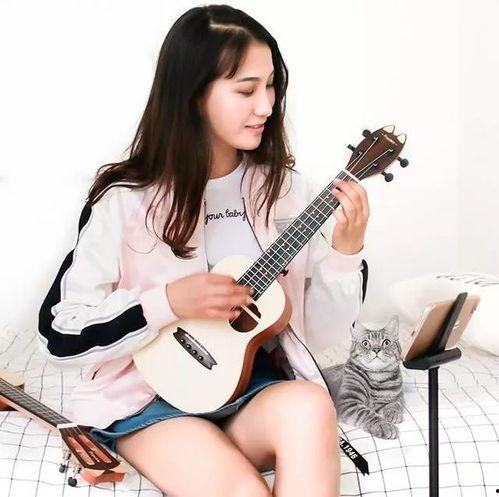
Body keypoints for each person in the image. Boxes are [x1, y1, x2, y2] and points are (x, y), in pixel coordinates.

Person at [38, 4, 370, 497]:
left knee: (310, 405)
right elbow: (60, 333)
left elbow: (316, 335)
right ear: (193, 94)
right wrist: (167, 302)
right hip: (148, 401)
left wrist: (345, 254)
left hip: (250, 388)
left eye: (272, 86)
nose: (267, 106)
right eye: (246, 90)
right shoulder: (124, 200)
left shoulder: (285, 192)